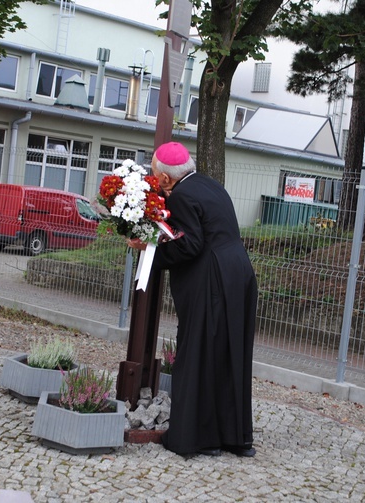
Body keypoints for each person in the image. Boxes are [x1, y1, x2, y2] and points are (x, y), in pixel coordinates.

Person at [129, 142, 258, 458]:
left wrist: (150, 250)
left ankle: (196, 439)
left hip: (211, 279)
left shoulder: (182, 196)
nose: (156, 181)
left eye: (157, 176)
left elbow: (190, 246)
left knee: (198, 353)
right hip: (238, 271)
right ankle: (235, 438)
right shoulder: (210, 184)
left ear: (166, 180)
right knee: (230, 356)